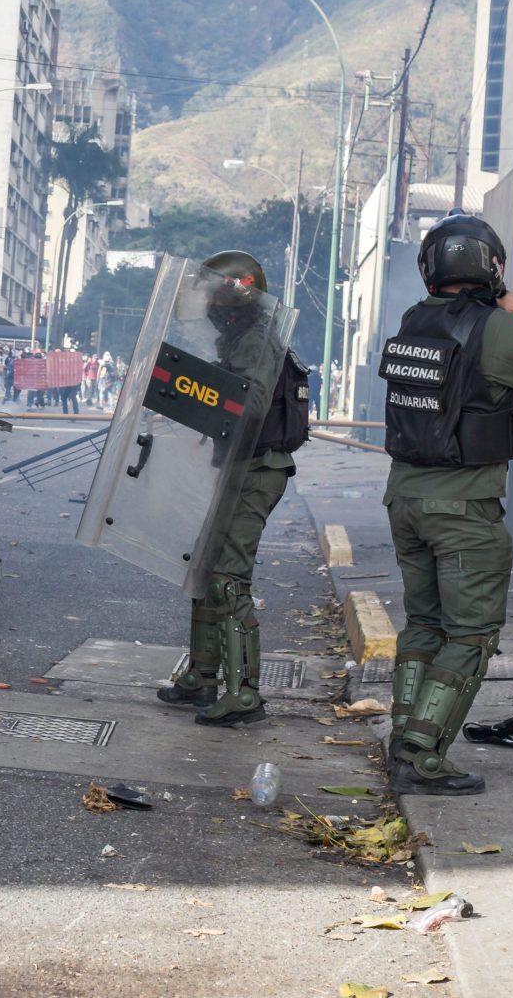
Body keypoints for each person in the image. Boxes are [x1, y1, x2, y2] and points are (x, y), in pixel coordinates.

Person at [379, 213, 513, 797]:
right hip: (462, 510)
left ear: (431, 267)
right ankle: (422, 752)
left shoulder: (416, 321)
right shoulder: (493, 327)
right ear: (491, 265)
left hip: (407, 498)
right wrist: (512, 314)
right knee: (470, 634)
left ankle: (403, 738)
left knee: (424, 625)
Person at [154, 251, 307, 728]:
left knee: (227, 578)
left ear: (232, 293)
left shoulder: (258, 339)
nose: (204, 300)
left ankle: (244, 694)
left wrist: (190, 388)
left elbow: (251, 402)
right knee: (204, 571)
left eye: (210, 290)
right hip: (242, 465)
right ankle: (202, 677)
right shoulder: (241, 334)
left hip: (258, 469)